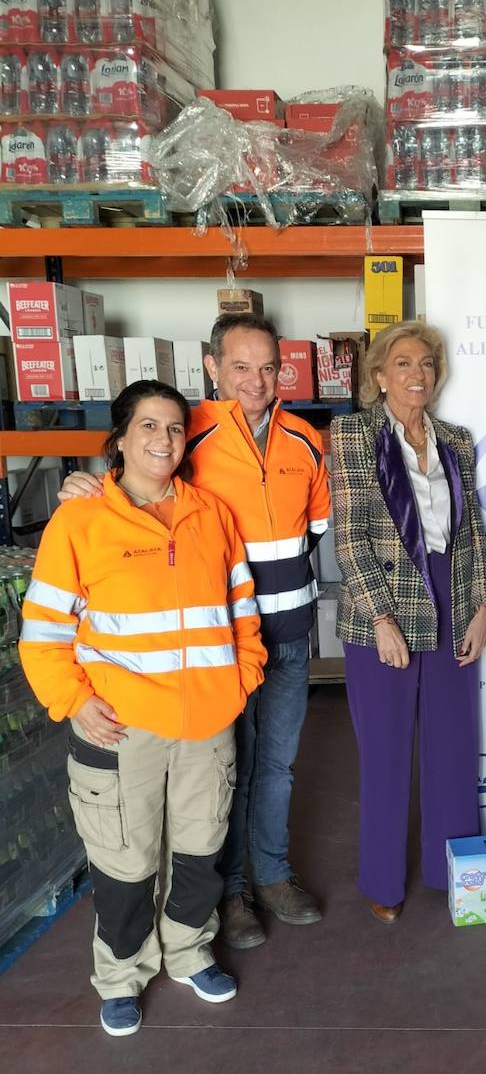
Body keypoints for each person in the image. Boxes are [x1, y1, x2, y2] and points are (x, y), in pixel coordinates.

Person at [57, 313, 331, 950]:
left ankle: (273, 874)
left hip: (288, 635)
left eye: (268, 367)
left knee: (279, 766)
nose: (256, 381)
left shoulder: (304, 439)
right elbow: (139, 490)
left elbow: (315, 528)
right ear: (212, 367)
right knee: (226, 774)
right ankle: (229, 891)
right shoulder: (188, 433)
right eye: (240, 367)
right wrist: (84, 485)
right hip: (217, 644)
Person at [19, 381, 266, 1037]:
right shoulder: (80, 521)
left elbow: (242, 610)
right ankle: (121, 975)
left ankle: (189, 952)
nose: (164, 439)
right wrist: (73, 701)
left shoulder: (211, 514)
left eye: (176, 428)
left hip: (207, 723)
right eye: (149, 426)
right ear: (121, 438)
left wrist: (240, 680)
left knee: (200, 849)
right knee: (124, 863)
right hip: (120, 727)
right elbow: (42, 633)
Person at [330, 320, 486, 923]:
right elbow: (350, 537)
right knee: (385, 751)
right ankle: (383, 882)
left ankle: (453, 870)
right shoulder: (352, 434)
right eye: (402, 363)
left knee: (454, 747)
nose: (417, 374)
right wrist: (380, 618)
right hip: (384, 607)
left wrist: (482, 605)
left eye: (426, 363)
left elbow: (472, 534)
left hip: (453, 599)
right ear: (379, 376)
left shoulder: (457, 441)